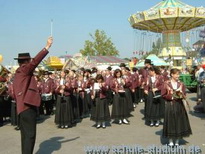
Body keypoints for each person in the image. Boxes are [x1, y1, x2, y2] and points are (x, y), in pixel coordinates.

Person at [13, 37, 53, 154]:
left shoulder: (18, 73)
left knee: (25, 136)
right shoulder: (25, 69)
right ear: (26, 62)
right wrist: (47, 46)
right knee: (30, 135)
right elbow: (35, 61)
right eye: (29, 61)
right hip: (27, 107)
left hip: (21, 108)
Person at [161, 68, 192, 146]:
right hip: (170, 104)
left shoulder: (181, 84)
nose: (178, 76)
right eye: (177, 74)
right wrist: (171, 97)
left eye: (178, 74)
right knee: (170, 122)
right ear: (172, 74)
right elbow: (163, 95)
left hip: (179, 105)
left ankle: (177, 140)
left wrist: (181, 94)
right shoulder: (166, 83)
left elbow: (184, 95)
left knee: (179, 122)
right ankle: (170, 140)